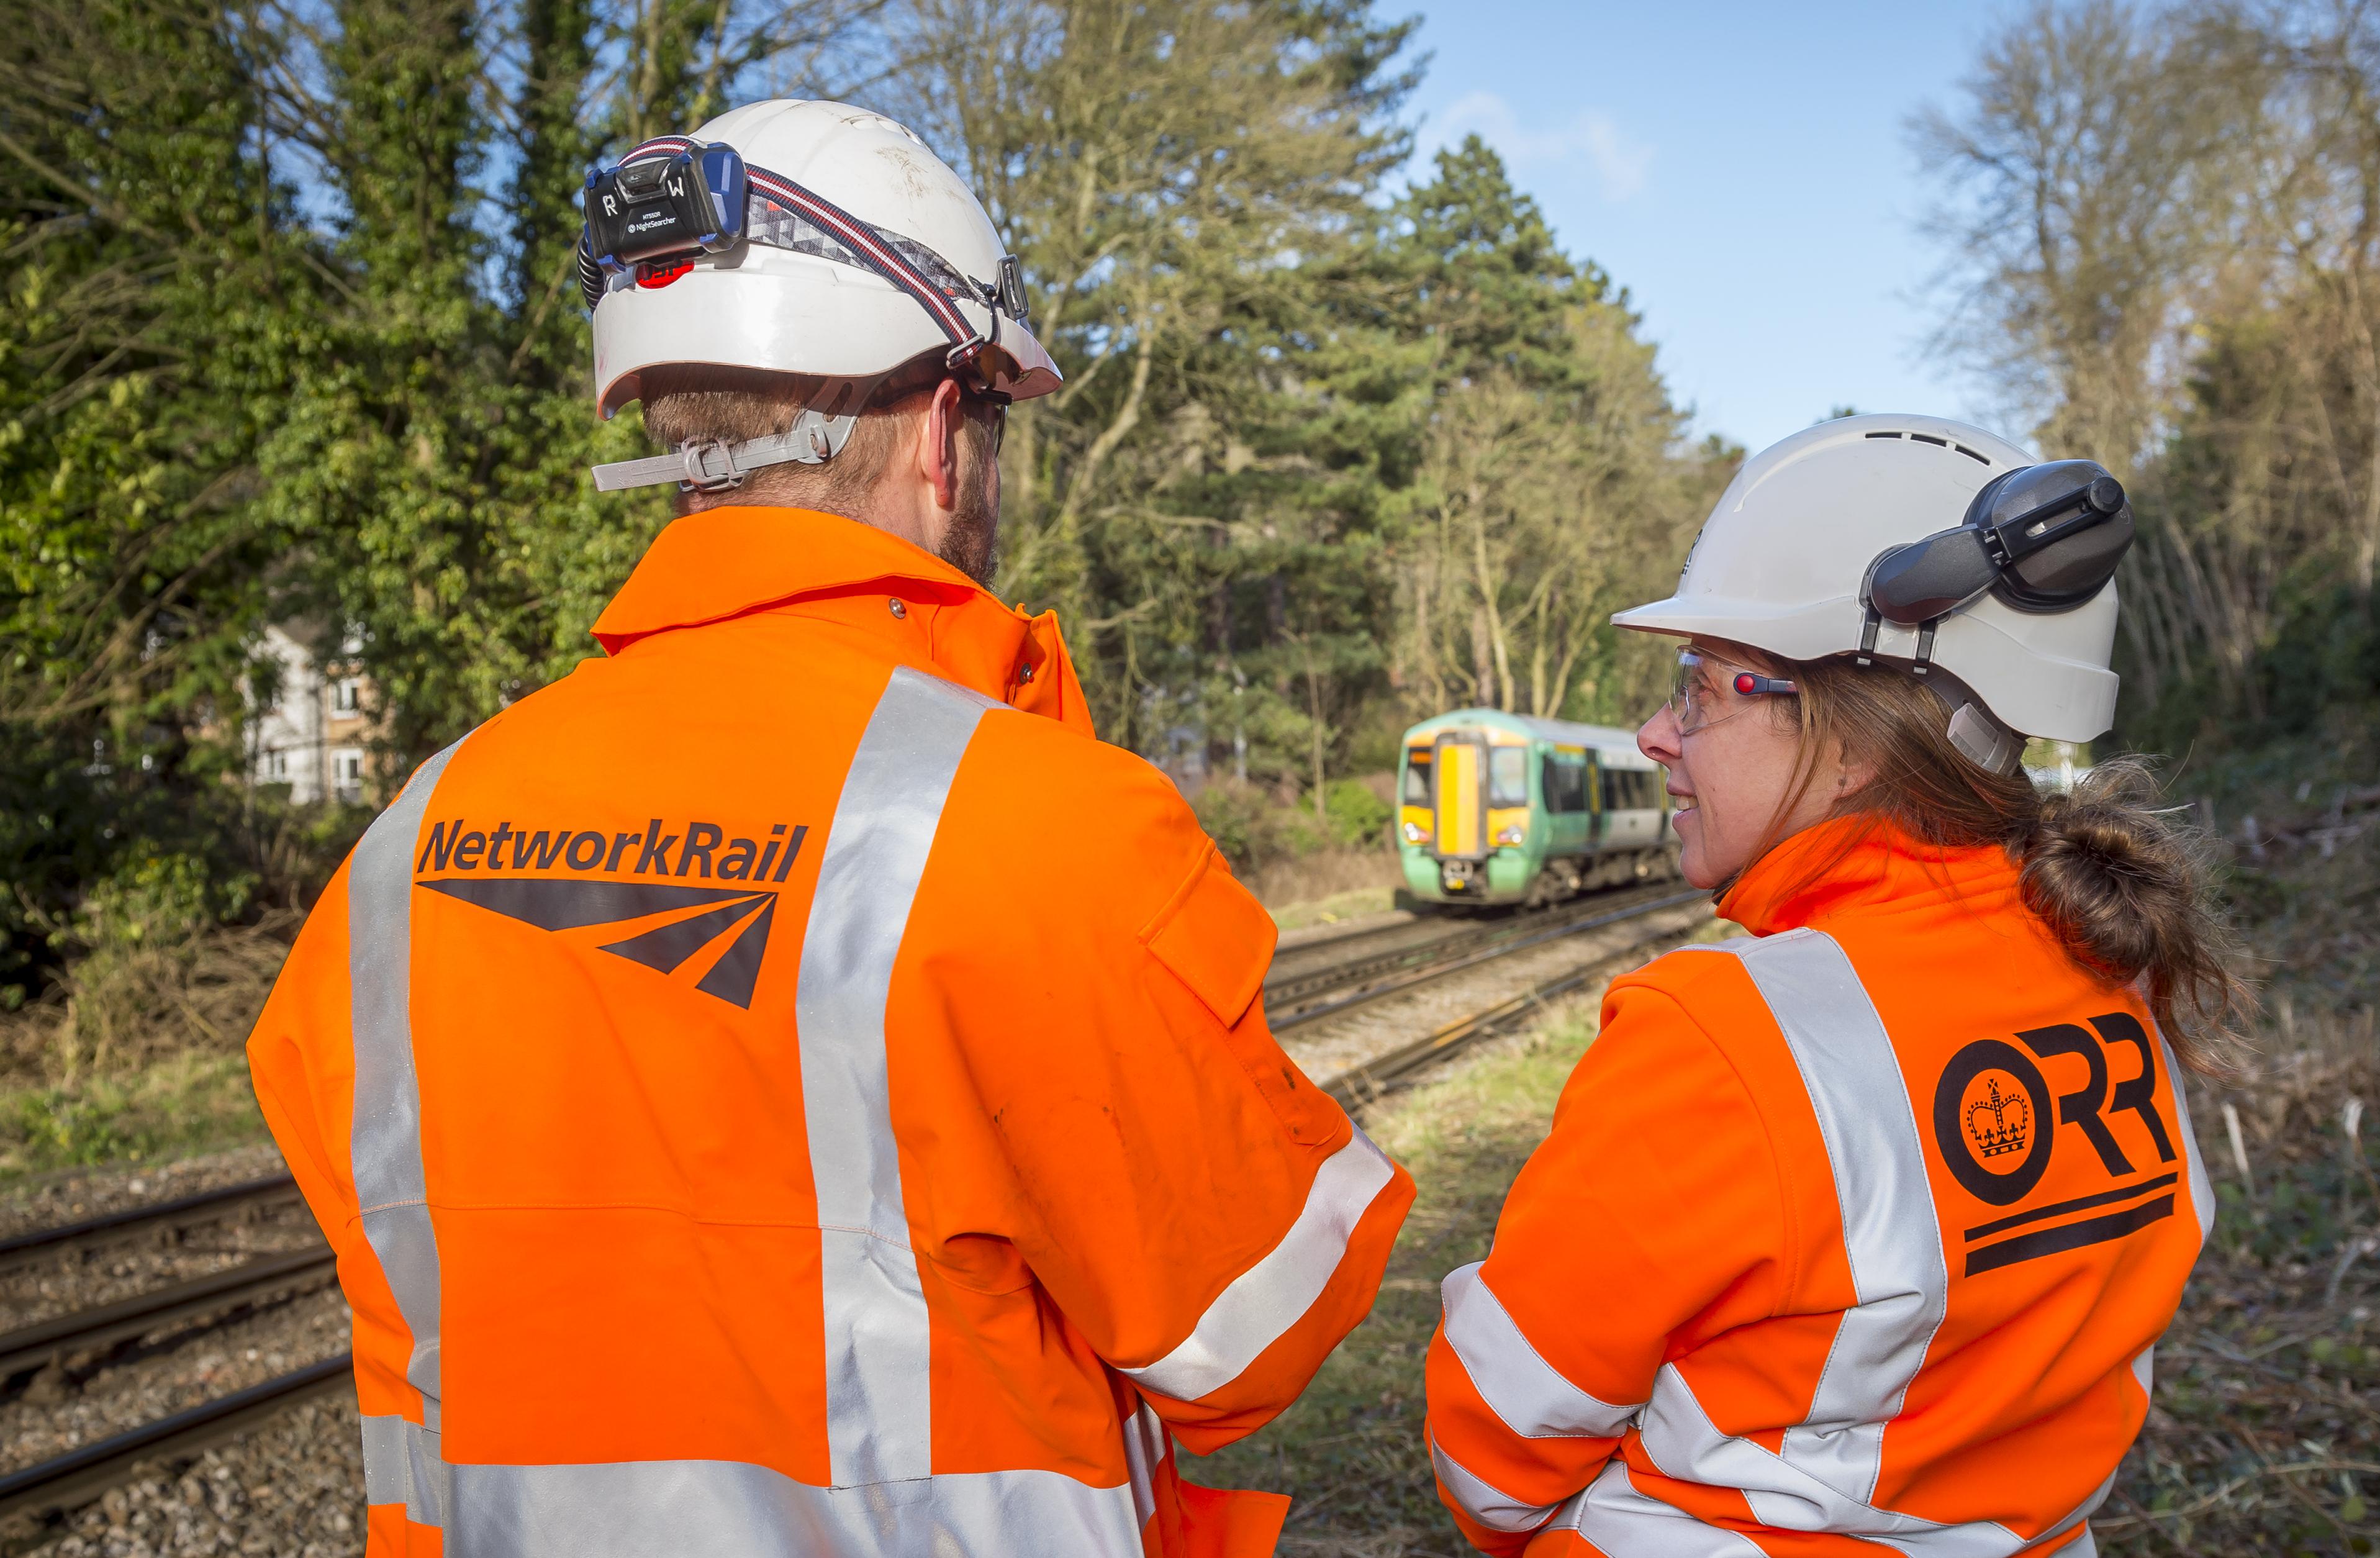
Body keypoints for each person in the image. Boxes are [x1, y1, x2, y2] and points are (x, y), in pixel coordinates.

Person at [247, 99, 1411, 1558]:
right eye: (992, 421)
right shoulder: (1029, 824)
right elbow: (1257, 1331)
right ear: (942, 435)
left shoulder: (400, 850)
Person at [1421, 413, 2248, 1556]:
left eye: (1700, 687)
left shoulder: (1723, 1038)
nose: (1655, 733)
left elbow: (1493, 1448)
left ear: (1852, 742)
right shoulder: (2105, 962)